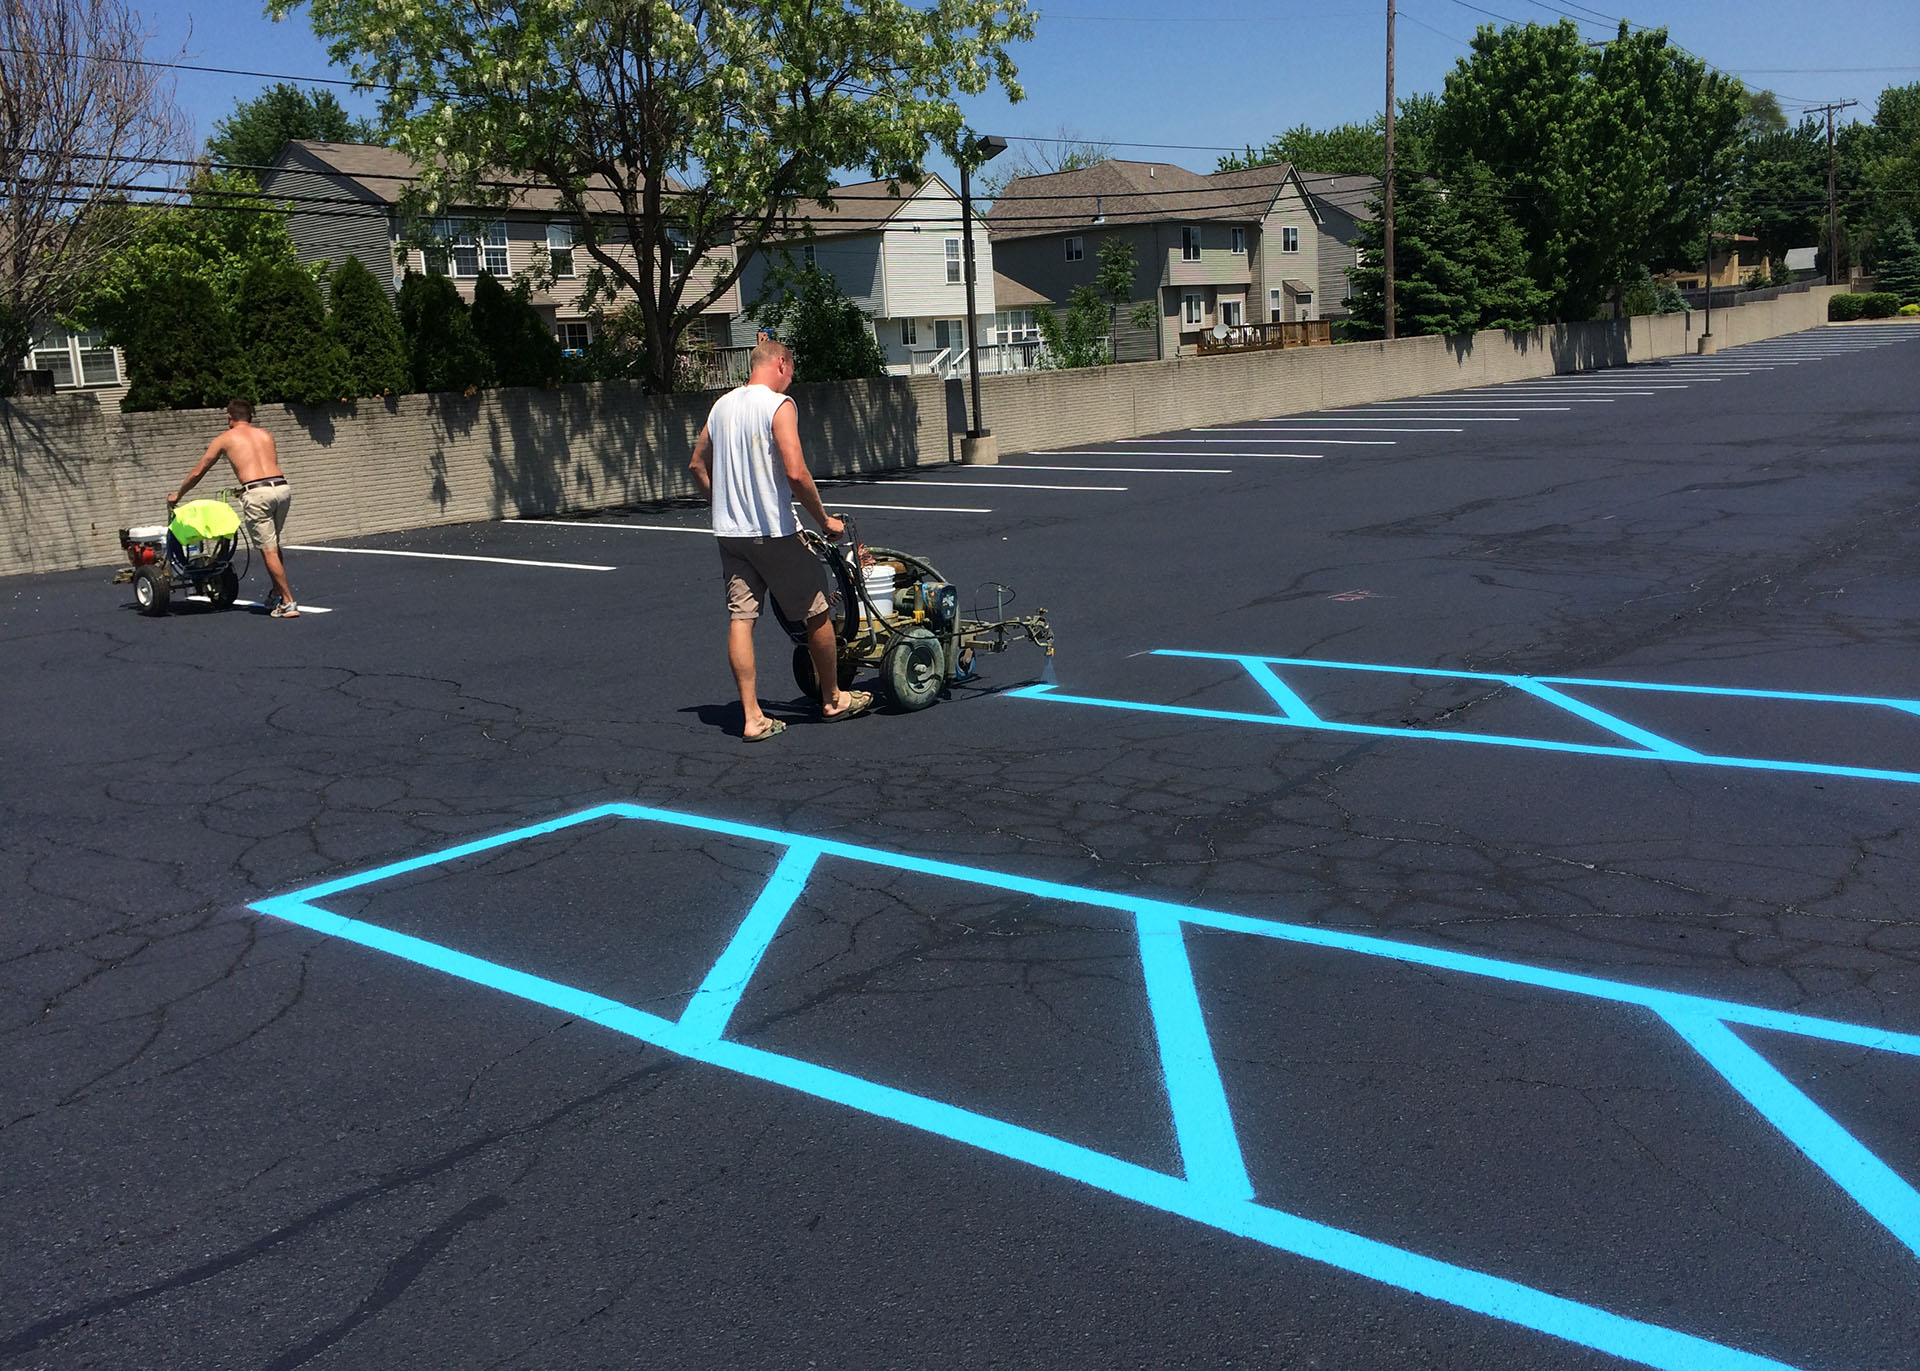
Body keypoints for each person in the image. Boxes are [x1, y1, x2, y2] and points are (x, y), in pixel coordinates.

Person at [689, 337, 872, 740]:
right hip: (772, 531)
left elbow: (697, 465)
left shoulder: (721, 406)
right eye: (791, 372)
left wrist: (723, 505)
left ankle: (752, 717)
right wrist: (825, 520)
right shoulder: (779, 405)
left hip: (730, 534)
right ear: (782, 364)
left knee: (741, 619)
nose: (791, 380)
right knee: (817, 608)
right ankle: (833, 698)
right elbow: (795, 472)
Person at [170, 398, 299, 618]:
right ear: (250, 416)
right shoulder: (265, 435)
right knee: (273, 545)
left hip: (257, 493)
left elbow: (199, 470)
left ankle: (288, 602)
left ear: (229, 417)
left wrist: (178, 494)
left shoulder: (225, 439)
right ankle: (276, 592)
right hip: (281, 489)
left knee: (268, 549)